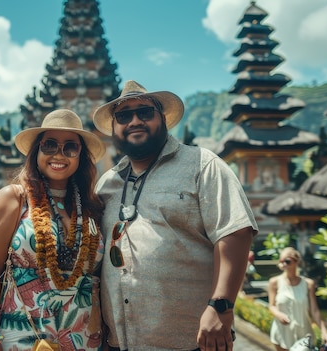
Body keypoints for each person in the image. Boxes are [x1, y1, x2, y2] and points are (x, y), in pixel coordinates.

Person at [92, 80, 258, 351]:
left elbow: (235, 232)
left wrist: (221, 306)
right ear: (114, 127)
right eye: (124, 116)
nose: (134, 121)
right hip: (120, 341)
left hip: (191, 340)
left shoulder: (202, 165)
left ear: (163, 119)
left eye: (145, 113)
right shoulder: (107, 183)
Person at [0, 109, 106, 351]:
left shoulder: (92, 208)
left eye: (70, 148)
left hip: (84, 338)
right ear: (37, 151)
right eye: (49, 145)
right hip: (23, 336)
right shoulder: (14, 199)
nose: (59, 155)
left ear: (81, 155)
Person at [268, 247, 327, 351]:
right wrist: (278, 314)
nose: (283, 264)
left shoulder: (308, 284)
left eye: (287, 261)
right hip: (282, 332)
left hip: (304, 333)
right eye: (281, 261)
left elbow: (315, 311)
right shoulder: (274, 282)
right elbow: (271, 306)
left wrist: (324, 333)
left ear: (296, 261)